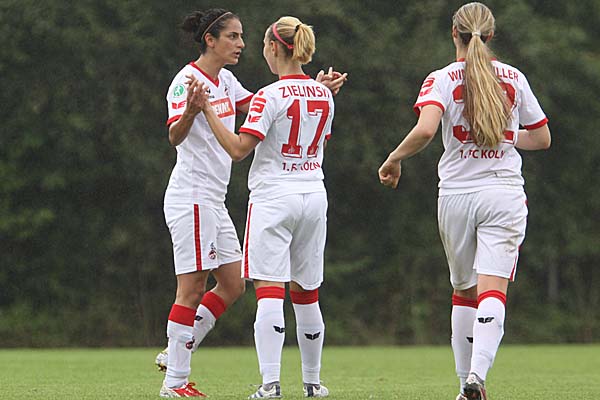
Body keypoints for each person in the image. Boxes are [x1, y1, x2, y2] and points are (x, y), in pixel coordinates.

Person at [160, 9, 346, 398]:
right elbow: (175, 136)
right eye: (232, 36)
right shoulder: (186, 81)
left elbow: (270, 104)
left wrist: (311, 88)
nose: (241, 44)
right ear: (210, 40)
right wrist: (193, 110)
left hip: (216, 198)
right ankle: (175, 379)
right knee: (192, 287)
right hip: (192, 195)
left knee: (232, 283)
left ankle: (180, 346)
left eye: (244, 37)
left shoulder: (227, 81)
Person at [378, 3, 551, 400]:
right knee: (493, 290)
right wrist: (505, 137)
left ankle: (464, 387)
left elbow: (425, 131)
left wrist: (393, 158)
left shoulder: (440, 78)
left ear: (453, 33)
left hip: (456, 195)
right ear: (491, 36)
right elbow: (542, 138)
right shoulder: (514, 77)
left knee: (463, 292)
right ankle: (477, 377)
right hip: (503, 193)